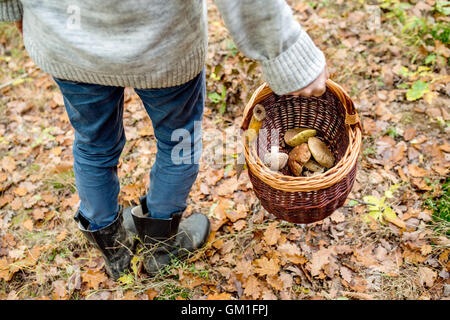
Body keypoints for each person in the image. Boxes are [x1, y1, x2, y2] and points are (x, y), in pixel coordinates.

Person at [0, 0, 329, 280]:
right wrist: (286, 53)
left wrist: (14, 9)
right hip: (161, 47)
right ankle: (159, 249)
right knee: (178, 143)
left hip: (67, 40)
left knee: (93, 144)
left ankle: (115, 254)